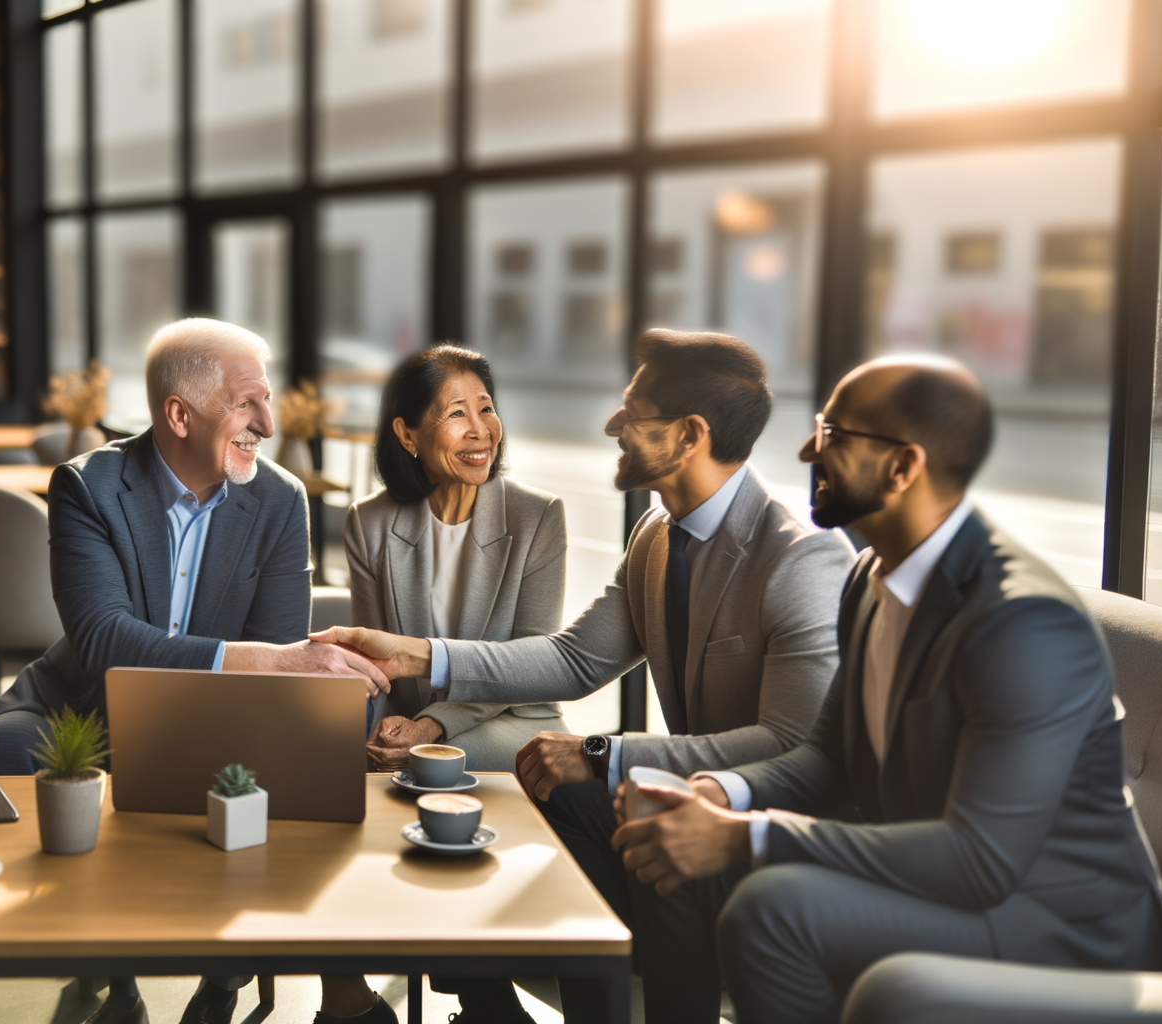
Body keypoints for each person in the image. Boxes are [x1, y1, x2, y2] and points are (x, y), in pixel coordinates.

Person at [609, 355, 1162, 1024]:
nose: (806, 449)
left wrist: (741, 836)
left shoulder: (1023, 620)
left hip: (1059, 927)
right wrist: (715, 795)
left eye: (834, 435)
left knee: (775, 909)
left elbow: (980, 860)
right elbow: (830, 758)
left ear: (903, 467)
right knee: (672, 846)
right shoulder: (870, 575)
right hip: (950, 888)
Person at [314, 329, 855, 1024]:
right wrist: (419, 654)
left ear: (690, 435)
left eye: (633, 413)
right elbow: (573, 660)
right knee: (561, 802)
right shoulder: (657, 538)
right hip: (684, 800)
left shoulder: (800, 560)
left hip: (770, 823)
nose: (612, 427)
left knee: (587, 786)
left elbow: (790, 744)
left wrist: (604, 753)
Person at [0, 317, 387, 1024]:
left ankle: (229, 974)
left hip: (220, 715)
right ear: (178, 413)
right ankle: (111, 967)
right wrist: (271, 663)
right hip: (84, 704)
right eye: (248, 403)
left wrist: (287, 669)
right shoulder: (88, 487)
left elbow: (279, 661)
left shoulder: (280, 499)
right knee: (6, 750)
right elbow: (104, 641)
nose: (269, 422)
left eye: (268, 401)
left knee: (310, 736)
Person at [350, 344, 567, 772]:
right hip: (406, 721)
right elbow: (377, 668)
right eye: (456, 413)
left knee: (427, 763)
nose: (480, 429)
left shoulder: (538, 517)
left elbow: (530, 662)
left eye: (486, 409)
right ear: (407, 434)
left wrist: (432, 725)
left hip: (512, 718)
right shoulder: (369, 522)